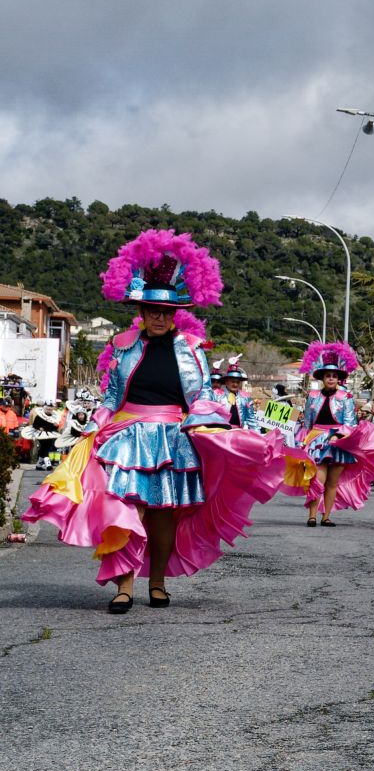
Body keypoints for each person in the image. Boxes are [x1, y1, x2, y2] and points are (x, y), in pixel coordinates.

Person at [23, 230, 280, 611]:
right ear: (141, 312)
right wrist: (95, 426)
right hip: (127, 438)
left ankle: (156, 583)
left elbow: (202, 395)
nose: (159, 317)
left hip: (174, 439)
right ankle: (123, 587)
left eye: (166, 312)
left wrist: (212, 428)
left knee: (164, 519)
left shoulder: (191, 349)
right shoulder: (123, 344)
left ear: (175, 314)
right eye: (152, 311)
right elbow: (112, 395)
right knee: (129, 510)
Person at [283, 343, 374, 527]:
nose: (331, 378)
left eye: (334, 376)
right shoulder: (313, 396)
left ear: (338, 379)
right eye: (328, 375)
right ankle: (312, 515)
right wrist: (302, 441)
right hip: (316, 441)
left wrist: (338, 436)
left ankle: (326, 516)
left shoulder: (345, 397)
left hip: (338, 443)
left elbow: (350, 423)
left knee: (332, 483)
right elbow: (307, 422)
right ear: (322, 378)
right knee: (317, 479)